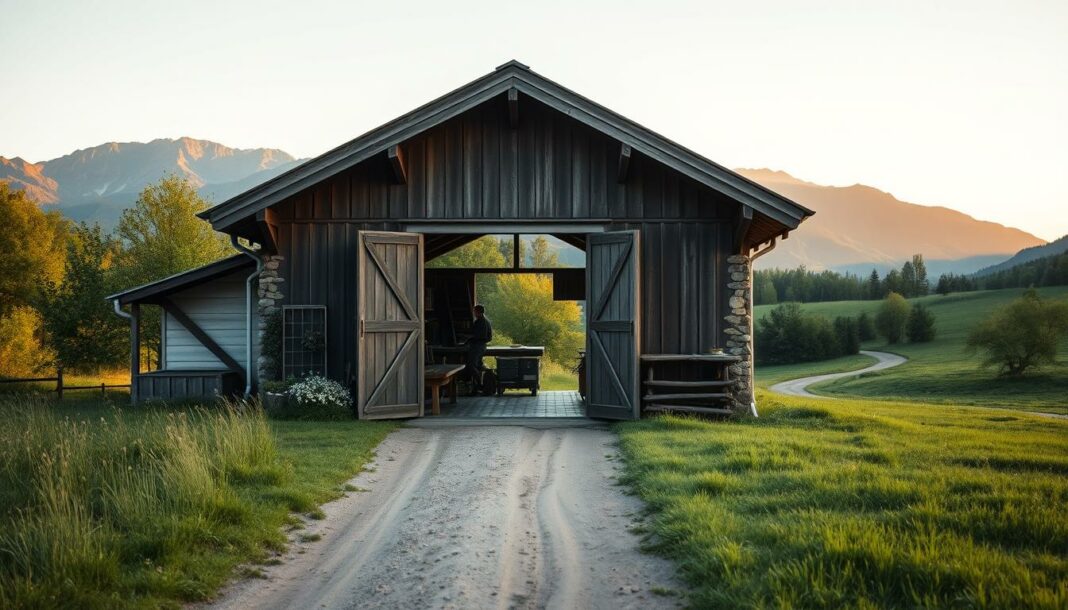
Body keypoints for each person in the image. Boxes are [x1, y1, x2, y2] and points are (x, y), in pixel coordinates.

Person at [465, 304, 493, 393]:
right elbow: (489, 337)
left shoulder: (481, 322)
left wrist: (469, 338)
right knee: (478, 365)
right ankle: (481, 383)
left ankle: (480, 385)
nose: (474, 313)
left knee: (471, 365)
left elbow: (480, 336)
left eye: (475, 311)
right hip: (481, 346)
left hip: (478, 346)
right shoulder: (485, 321)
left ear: (478, 312)